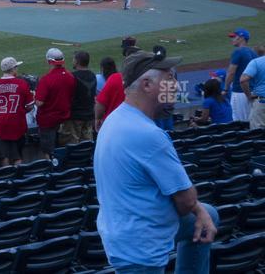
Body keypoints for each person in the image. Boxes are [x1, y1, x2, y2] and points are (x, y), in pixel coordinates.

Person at [94, 49, 219, 272]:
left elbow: (189, 203)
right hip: (140, 248)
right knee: (201, 214)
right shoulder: (148, 134)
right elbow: (186, 200)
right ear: (147, 85)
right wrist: (193, 207)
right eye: (169, 78)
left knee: (208, 213)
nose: (175, 85)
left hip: (119, 226)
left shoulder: (117, 117)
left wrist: (199, 210)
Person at [0, 57, 34, 167]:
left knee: (4, 155)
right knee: (17, 155)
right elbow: (30, 106)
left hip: (2, 124)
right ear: (13, 69)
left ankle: (7, 179)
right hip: (19, 123)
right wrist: (21, 112)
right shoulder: (22, 84)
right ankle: (18, 179)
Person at [35, 48, 76, 155]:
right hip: (65, 118)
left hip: (48, 120)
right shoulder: (70, 77)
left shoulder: (46, 80)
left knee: (49, 152)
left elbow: (39, 102)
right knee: (64, 150)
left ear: (49, 61)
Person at [96, 37, 139, 131]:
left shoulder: (115, 78)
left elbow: (100, 103)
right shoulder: (147, 77)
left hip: (114, 122)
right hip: (135, 121)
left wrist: (98, 118)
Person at [62, 51, 97, 144]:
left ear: (77, 61)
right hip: (89, 115)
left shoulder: (72, 76)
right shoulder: (93, 75)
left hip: (76, 116)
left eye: (73, 59)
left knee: (73, 144)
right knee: (87, 143)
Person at [227, 28, 255, 123]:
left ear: (241, 38)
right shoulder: (253, 53)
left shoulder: (238, 52)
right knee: (250, 120)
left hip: (239, 92)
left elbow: (231, 73)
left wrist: (225, 88)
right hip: (252, 92)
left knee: (239, 122)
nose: (232, 39)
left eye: (234, 37)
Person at [240, 51, 265, 130]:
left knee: (258, 132)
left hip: (262, 101)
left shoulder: (256, 62)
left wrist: (249, 96)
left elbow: (243, 80)